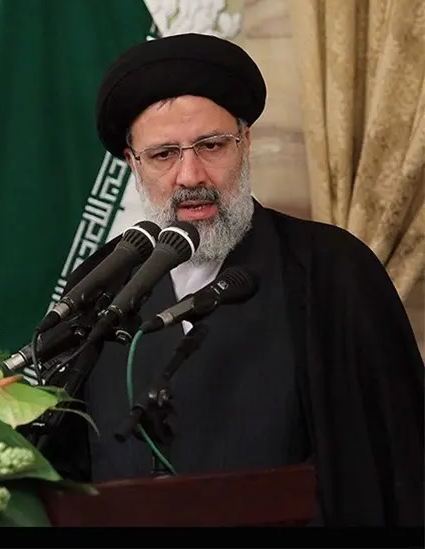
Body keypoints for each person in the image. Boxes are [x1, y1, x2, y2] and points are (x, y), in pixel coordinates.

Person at [41, 33, 424, 527]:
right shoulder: (100, 283)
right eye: (164, 154)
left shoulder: (333, 270)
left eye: (211, 145)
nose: (190, 176)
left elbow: (400, 466)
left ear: (246, 143)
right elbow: (63, 469)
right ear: (133, 164)